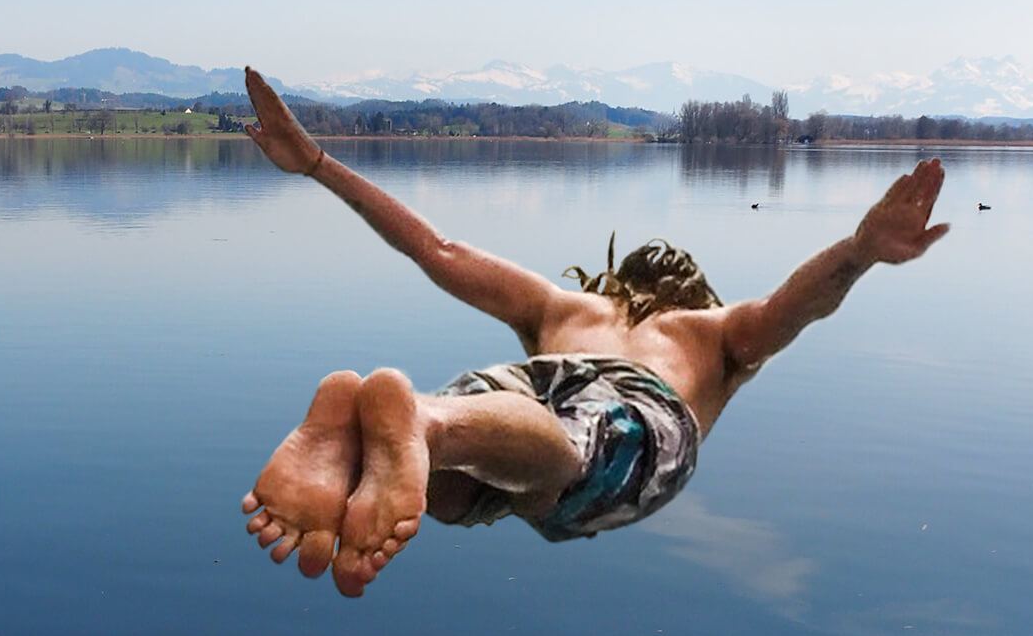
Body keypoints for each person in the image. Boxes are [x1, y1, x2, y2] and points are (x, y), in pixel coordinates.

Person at [237, 67, 950, 598]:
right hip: (634, 412)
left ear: (616, 279)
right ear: (691, 288)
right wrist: (859, 251)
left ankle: (372, 440)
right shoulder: (715, 331)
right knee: (567, 461)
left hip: (517, 399)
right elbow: (800, 304)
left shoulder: (559, 308)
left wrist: (319, 166)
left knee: (459, 493)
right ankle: (418, 421)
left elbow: (436, 249)